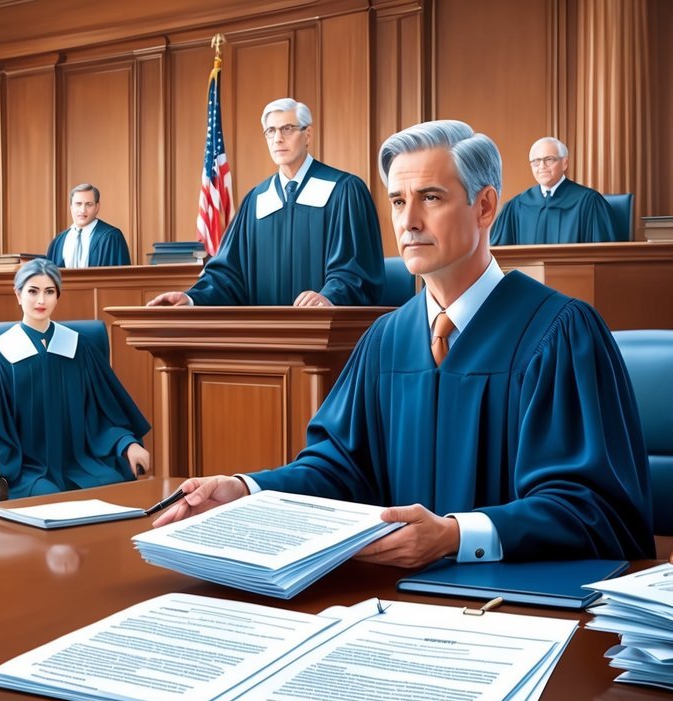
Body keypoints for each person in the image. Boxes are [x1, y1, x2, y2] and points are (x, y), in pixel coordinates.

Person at [152, 119, 653, 567]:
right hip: (389, 610)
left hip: (517, 614)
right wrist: (247, 490)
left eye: (430, 197)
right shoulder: (385, 340)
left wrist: (456, 536)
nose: (408, 220)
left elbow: (598, 510)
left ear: (484, 206)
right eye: (397, 200)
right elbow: (339, 470)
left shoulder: (560, 333)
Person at [148, 98, 383, 308]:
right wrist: (191, 298)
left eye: (287, 129)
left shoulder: (344, 190)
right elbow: (228, 274)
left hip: (326, 334)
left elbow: (356, 269)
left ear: (308, 134)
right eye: (270, 131)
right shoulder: (256, 201)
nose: (278, 138)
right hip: (268, 338)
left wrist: (330, 297)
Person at [0, 258, 151, 501]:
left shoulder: (78, 347)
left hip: (81, 462)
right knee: (48, 498)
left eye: (49, 292)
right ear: (18, 294)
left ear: (57, 296)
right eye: (33, 291)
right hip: (26, 469)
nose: (41, 300)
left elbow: (103, 413)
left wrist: (127, 443)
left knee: (111, 487)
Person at [489, 137, 617, 245]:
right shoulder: (517, 206)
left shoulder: (589, 202)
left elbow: (604, 254)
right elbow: (500, 255)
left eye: (549, 159)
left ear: (565, 163)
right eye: (536, 161)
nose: (542, 166)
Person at [44, 184, 131, 268]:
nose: (82, 210)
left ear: (97, 207)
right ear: (71, 207)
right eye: (78, 204)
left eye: (89, 204)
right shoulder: (58, 242)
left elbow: (122, 278)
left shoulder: (112, 237)